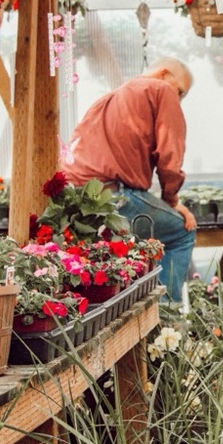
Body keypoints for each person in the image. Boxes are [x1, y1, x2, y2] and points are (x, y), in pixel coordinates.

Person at [60, 57, 197, 303]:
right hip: (114, 197)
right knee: (181, 232)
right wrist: (172, 201)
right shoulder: (161, 89)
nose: (179, 100)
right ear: (164, 74)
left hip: (76, 200)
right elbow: (170, 153)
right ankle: (166, 321)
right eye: (181, 92)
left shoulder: (108, 99)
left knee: (104, 261)